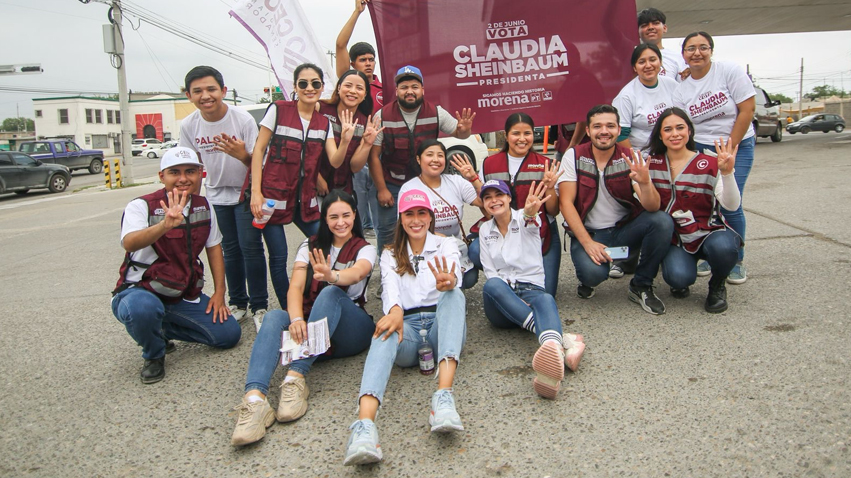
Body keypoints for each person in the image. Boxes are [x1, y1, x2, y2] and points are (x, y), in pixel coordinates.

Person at [231, 190, 376, 446]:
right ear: (324, 218)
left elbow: (356, 274)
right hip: (311, 327)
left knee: (330, 292)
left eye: (346, 215)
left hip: (350, 328)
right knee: (276, 316)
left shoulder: (366, 249)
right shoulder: (308, 246)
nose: (340, 222)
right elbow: (296, 288)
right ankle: (255, 401)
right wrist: (297, 320)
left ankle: (296, 378)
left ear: (355, 215)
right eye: (333, 217)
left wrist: (331, 276)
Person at [249, 63, 379, 331]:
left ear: (322, 87)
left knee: (322, 242)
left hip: (306, 199)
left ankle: (328, 300)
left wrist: (345, 140)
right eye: (304, 83)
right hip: (273, 197)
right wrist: (255, 192)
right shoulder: (279, 109)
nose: (310, 88)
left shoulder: (323, 122)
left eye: (316, 84)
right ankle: (290, 313)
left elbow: (334, 161)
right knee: (278, 255)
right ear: (295, 87)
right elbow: (259, 150)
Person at [343, 189, 466, 466]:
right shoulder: (389, 253)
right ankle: (364, 427)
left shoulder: (446, 244)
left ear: (431, 216)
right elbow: (390, 290)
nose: (416, 220)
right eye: (409, 214)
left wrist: (449, 281)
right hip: (407, 328)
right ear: (400, 218)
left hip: (442, 325)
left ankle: (443, 399)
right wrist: (395, 312)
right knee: (383, 328)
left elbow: (455, 273)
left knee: (454, 295)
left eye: (422, 213)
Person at [111, 147, 241, 384]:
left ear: (200, 174)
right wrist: (164, 226)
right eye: (175, 172)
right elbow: (129, 242)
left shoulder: (204, 205)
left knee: (228, 335)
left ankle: (159, 328)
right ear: (162, 176)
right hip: (141, 290)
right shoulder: (141, 206)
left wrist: (220, 293)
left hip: (181, 292)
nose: (183, 178)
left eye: (190, 171)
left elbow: (214, 248)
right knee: (141, 309)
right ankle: (153, 353)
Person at [557, 104, 674, 315]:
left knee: (662, 221)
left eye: (610, 126)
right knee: (593, 274)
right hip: (591, 233)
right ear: (588, 131)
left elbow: (653, 207)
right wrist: (588, 243)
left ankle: (641, 285)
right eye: (597, 126)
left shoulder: (630, 157)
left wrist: (646, 183)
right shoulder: (573, 156)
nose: (604, 131)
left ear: (619, 130)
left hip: (624, 231)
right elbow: (565, 203)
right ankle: (592, 275)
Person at [478, 179, 586, 399]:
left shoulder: (525, 218)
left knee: (546, 299)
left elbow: (531, 220)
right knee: (492, 284)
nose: (494, 200)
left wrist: (529, 212)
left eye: (498, 195)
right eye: (487, 197)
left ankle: (549, 375)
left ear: (509, 198)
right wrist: (511, 298)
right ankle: (560, 340)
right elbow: (490, 271)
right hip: (502, 301)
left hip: (530, 289)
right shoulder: (484, 229)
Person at [178, 66, 264, 326]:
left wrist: (242, 156)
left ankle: (260, 307)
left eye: (211, 89)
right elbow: (189, 168)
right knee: (229, 251)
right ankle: (239, 303)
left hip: (245, 195)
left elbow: (259, 163)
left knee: (251, 249)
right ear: (188, 95)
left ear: (223, 91)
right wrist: (188, 203)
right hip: (215, 198)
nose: (205, 95)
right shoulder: (189, 125)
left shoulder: (242, 120)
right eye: (198, 91)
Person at [672, 31, 756, 284]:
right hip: (702, 147)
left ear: (711, 50)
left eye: (703, 47)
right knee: (707, 204)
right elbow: (683, 125)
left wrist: (731, 146)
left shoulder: (728, 70)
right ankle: (709, 252)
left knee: (731, 203)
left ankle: (736, 259)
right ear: (683, 54)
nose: (697, 52)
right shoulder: (681, 88)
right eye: (690, 48)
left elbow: (747, 109)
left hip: (737, 144)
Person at [369, 65, 476, 254]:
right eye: (404, 87)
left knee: (423, 227)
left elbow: (460, 134)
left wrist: (465, 129)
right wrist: (382, 189)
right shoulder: (382, 116)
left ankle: (424, 268)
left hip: (425, 183)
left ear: (422, 90)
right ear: (397, 91)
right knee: (387, 230)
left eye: (414, 86)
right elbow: (374, 156)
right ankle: (388, 274)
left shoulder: (436, 112)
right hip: (392, 183)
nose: (409, 91)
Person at [646, 108, 742, 313]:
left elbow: (731, 205)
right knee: (678, 278)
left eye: (680, 128)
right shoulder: (650, 164)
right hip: (676, 238)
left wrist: (727, 173)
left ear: (689, 131)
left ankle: (717, 284)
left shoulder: (709, 162)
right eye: (668, 129)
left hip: (708, 232)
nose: (675, 134)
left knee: (725, 248)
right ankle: (678, 273)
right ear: (660, 135)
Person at [468, 113, 562, 296]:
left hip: (540, 235)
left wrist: (550, 188)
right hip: (503, 232)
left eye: (527, 133)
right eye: (516, 133)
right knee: (475, 250)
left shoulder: (546, 164)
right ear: (506, 135)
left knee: (546, 295)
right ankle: (508, 274)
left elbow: (553, 211)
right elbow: (486, 205)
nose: (522, 139)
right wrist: (473, 179)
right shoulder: (489, 164)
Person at [399, 139, 482, 288]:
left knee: (469, 278)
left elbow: (487, 205)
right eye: (429, 155)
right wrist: (443, 240)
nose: (435, 160)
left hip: (455, 248)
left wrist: (473, 179)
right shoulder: (409, 189)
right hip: (425, 248)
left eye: (440, 155)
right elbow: (405, 226)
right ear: (419, 159)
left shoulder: (456, 181)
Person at [336, 0, 382, 235]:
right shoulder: (350, 83)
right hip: (353, 155)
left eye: (371, 59)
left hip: (375, 153)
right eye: (362, 59)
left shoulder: (383, 88)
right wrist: (357, 12)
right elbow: (340, 44)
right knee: (357, 211)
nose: (368, 63)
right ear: (353, 64)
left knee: (379, 207)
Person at [316, 70, 382, 212]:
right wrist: (316, 177)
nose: (353, 91)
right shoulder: (320, 109)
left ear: (365, 95)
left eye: (359, 88)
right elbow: (305, 148)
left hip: (343, 189)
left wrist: (367, 144)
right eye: (348, 86)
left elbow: (355, 167)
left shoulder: (365, 121)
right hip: (313, 188)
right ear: (339, 88)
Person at [613, 44, 679, 152]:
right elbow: (620, 135)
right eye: (641, 62)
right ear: (634, 67)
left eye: (653, 60)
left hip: (674, 151)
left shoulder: (672, 84)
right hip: (645, 156)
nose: (648, 65)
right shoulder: (625, 96)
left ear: (660, 62)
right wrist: (637, 160)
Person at [637, 8, 688, 82]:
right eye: (644, 25)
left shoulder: (678, 58)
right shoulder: (631, 57)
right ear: (637, 31)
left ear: (664, 28)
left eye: (655, 23)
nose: (650, 27)